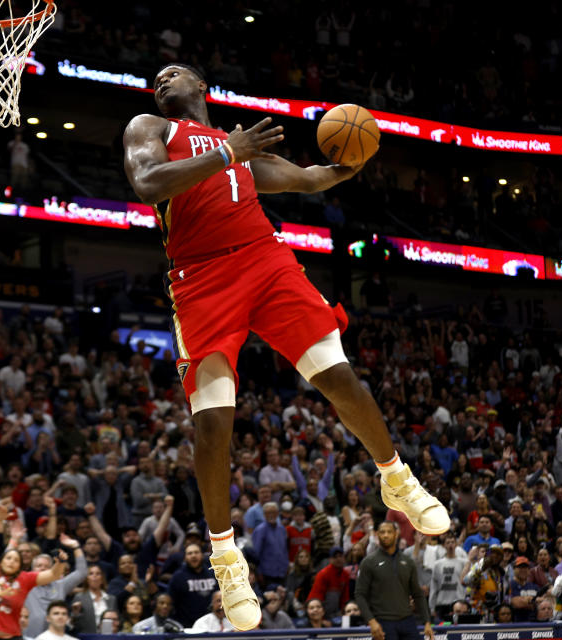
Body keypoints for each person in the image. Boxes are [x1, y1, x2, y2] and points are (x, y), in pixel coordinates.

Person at [123, 62, 449, 630]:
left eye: (173, 73)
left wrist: (349, 163)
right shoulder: (150, 127)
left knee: (337, 374)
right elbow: (148, 183)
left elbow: (309, 178)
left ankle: (396, 476)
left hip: (264, 260)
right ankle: (227, 558)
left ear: (201, 88)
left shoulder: (244, 151)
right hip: (199, 279)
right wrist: (230, 151)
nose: (161, 78)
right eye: (157, 75)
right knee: (213, 424)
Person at [0, 501, 68, 640]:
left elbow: (54, 574)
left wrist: (61, 562)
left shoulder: (24, 578)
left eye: (16, 560)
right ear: (1, 561)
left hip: (13, 637)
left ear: (20, 566)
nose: (11, 562)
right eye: (8, 558)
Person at [355, 521, 434, 640]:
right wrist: (371, 621)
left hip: (407, 620)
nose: (386, 535)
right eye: (382, 532)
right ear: (377, 535)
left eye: (389, 532)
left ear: (396, 534)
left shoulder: (408, 562)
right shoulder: (368, 562)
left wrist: (427, 621)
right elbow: (360, 594)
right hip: (382, 621)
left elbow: (417, 594)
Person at [23, 535, 87, 636]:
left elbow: (82, 573)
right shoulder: (24, 584)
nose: (43, 569)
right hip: (30, 636)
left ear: (52, 570)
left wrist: (76, 547)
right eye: (39, 566)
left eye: (47, 566)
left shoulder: (61, 585)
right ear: (32, 570)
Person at [167, 543, 217, 627]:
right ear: (185, 558)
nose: (193, 556)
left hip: (211, 625)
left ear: (202, 555)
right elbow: (171, 602)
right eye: (189, 553)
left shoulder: (213, 574)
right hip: (186, 627)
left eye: (196, 552)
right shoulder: (178, 577)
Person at [428, 532, 466, 622]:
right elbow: (434, 587)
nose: (450, 545)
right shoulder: (438, 564)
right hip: (442, 603)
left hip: (459, 603)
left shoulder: (463, 563)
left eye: (452, 542)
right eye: (448, 542)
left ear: (456, 544)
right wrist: (432, 608)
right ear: (444, 545)